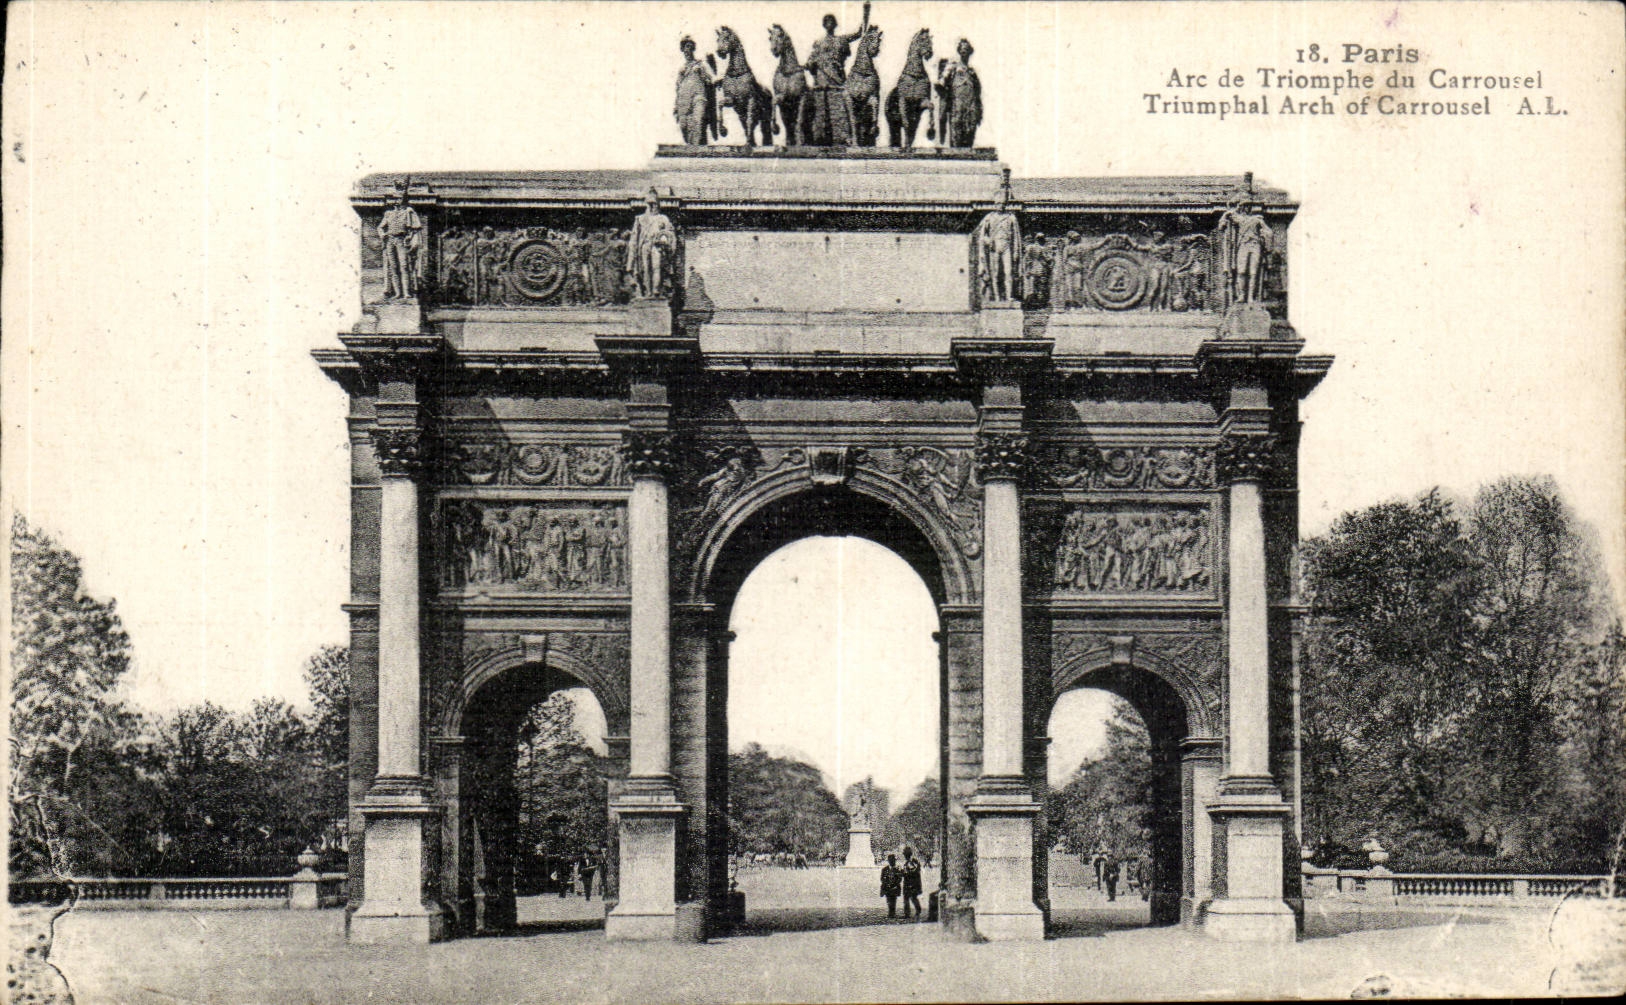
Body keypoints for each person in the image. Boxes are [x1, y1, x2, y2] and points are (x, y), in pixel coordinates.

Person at [901, 846, 924, 920]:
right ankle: (907, 913)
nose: (905, 856)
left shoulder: (913, 862)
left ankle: (918, 909)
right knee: (906, 898)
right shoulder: (907, 862)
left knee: (912, 897)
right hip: (908, 883)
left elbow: (914, 872)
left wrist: (906, 873)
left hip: (912, 883)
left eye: (905, 855)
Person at [880, 853, 902, 918]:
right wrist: (886, 884)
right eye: (890, 860)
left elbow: (899, 878)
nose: (892, 862)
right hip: (887, 887)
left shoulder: (897, 869)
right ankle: (890, 912)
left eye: (893, 860)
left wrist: (894, 884)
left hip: (894, 887)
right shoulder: (884, 869)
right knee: (888, 900)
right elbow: (882, 878)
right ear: (888, 861)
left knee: (894, 900)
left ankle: (892, 913)